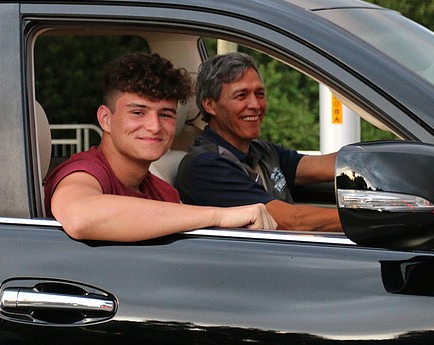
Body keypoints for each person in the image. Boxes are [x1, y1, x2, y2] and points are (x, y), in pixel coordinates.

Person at [45, 52, 276, 242]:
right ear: (105, 119)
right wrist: (218, 215)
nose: (155, 127)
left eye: (165, 114)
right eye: (138, 113)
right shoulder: (84, 171)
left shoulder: (163, 193)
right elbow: (80, 216)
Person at [176, 52, 342, 232]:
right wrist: (370, 220)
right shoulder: (205, 165)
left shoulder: (260, 150)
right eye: (241, 96)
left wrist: (371, 160)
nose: (255, 105)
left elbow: (323, 166)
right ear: (210, 105)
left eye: (260, 93)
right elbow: (291, 220)